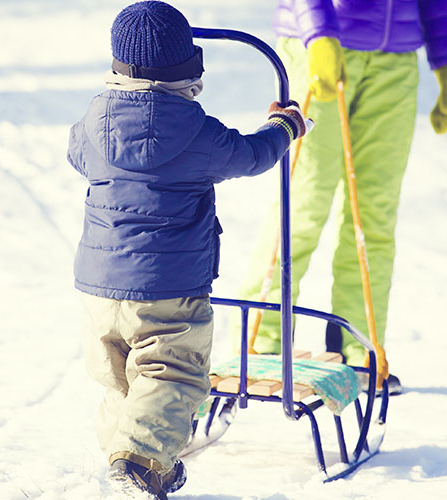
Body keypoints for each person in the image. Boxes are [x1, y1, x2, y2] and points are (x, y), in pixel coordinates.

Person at [67, 2, 309, 498]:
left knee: (122, 381)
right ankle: (135, 464)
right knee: (172, 373)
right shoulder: (195, 131)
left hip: (96, 286)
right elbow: (252, 155)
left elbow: (75, 153)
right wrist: (284, 126)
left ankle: (133, 460)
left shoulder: (92, 120)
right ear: (190, 70)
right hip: (168, 287)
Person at [238, 0, 447, 389]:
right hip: (321, 47)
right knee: (304, 203)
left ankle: (359, 347)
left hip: (395, 64)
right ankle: (262, 341)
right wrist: (320, 34)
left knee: (374, 213)